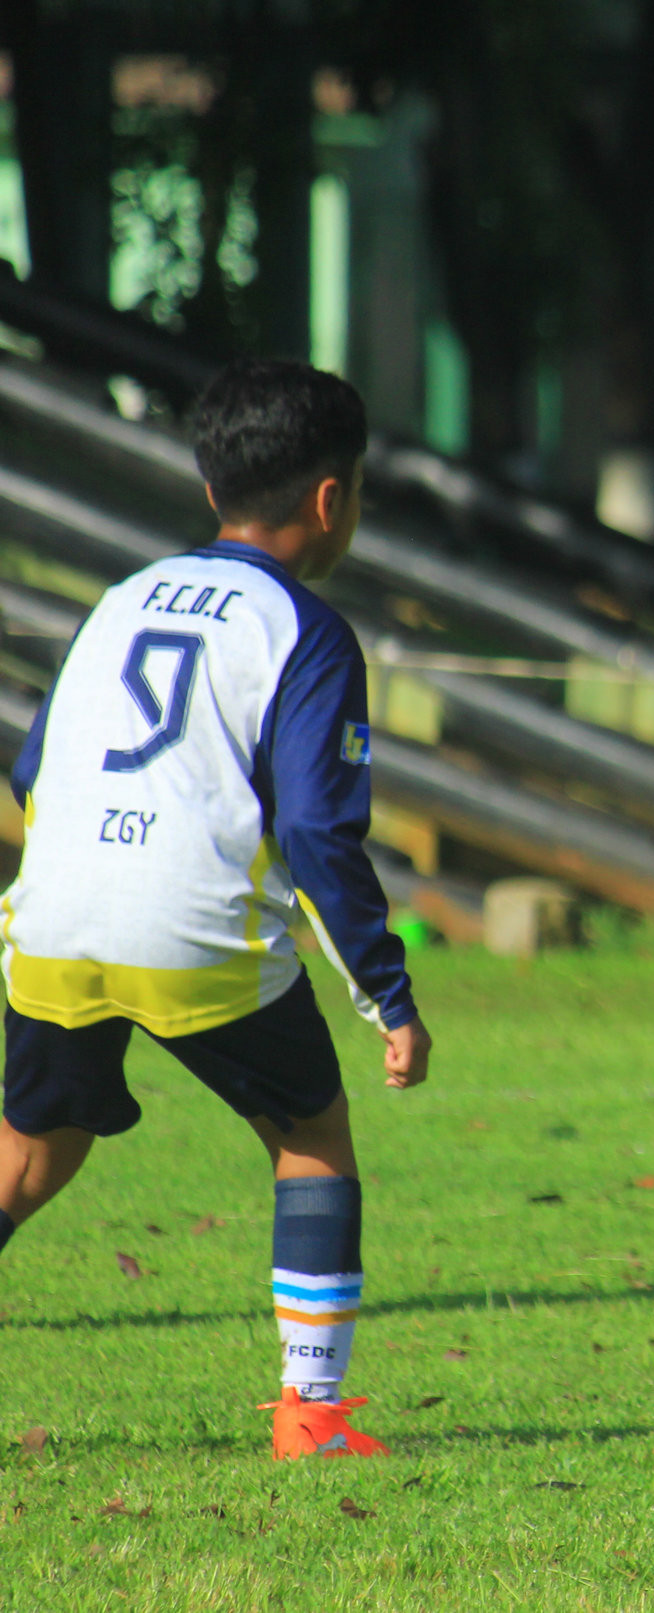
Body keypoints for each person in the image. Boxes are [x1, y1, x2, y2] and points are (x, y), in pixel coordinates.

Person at [0, 358, 431, 1459]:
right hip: (192, 929)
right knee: (310, 1135)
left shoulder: (119, 597)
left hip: (51, 916)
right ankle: (312, 1413)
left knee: (31, 1152)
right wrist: (389, 994)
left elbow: (31, 771)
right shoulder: (308, 630)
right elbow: (322, 833)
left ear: (210, 489)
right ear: (333, 499)